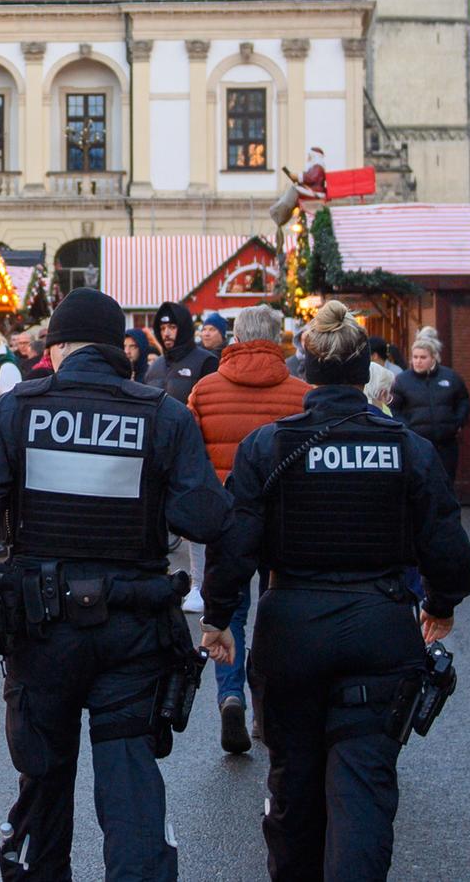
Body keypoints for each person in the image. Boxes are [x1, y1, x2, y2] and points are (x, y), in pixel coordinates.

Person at [0, 287, 230, 882]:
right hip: (134, 630)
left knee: (43, 781)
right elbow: (205, 518)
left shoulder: (17, 409)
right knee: (130, 786)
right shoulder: (162, 414)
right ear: (118, 347)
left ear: (61, 347)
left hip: (41, 629)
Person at [200, 300, 470, 880]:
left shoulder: (268, 446)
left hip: (291, 628)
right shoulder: (406, 447)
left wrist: (219, 615)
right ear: (364, 371)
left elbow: (236, 542)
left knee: (293, 787)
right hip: (379, 629)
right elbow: (447, 546)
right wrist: (441, 604)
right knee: (365, 790)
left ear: (308, 365)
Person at [184, 304, 310, 755]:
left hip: (227, 517)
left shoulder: (206, 389)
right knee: (275, 610)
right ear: (279, 338)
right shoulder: (303, 394)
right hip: (287, 521)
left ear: (235, 337)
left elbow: (192, 457)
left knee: (229, 609)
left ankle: (230, 694)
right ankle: (264, 707)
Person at [390, 329, 470, 485]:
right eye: (415, 357)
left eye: (423, 357)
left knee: (446, 483)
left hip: (446, 443)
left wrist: (457, 422)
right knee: (420, 483)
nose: (418, 361)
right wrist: (406, 428)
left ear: (433, 358)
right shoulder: (402, 381)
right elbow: (394, 409)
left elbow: (463, 400)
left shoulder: (450, 377)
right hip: (417, 443)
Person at [145, 301, 217, 402]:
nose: (166, 333)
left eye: (172, 327)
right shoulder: (154, 367)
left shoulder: (207, 362)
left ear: (184, 328)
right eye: (162, 328)